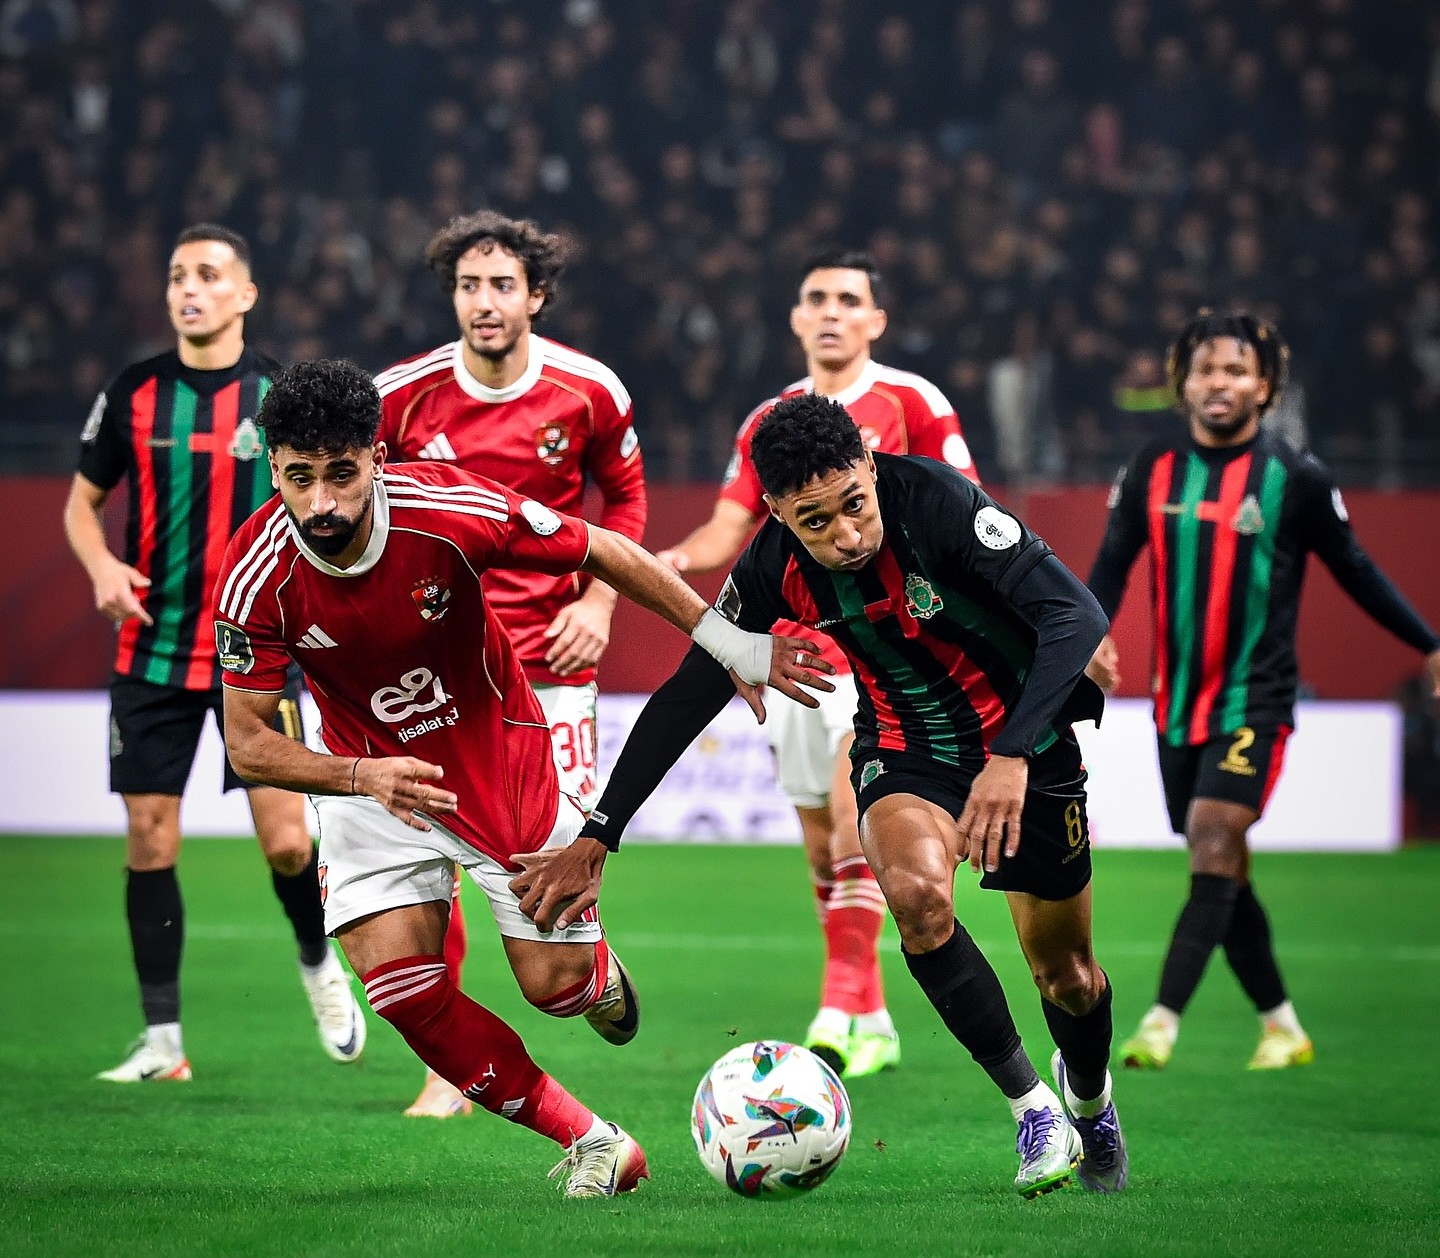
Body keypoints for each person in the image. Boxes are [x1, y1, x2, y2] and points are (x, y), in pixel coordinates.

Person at [213, 359, 827, 1196]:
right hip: (370, 778)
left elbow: (603, 548)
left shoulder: (448, 508)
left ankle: (594, 977)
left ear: (377, 460)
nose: (321, 501)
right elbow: (248, 742)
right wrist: (359, 775)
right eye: (298, 477)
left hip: (496, 760)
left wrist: (727, 641)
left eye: (341, 474)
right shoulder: (256, 574)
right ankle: (596, 1143)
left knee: (553, 989)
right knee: (400, 989)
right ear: (274, 470)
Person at [519, 394, 1129, 1198]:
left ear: (869, 467)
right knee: (917, 900)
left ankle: (1090, 1103)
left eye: (854, 504)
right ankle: (1034, 1110)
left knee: (1069, 979)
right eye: (814, 521)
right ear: (776, 512)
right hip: (906, 751)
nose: (845, 535)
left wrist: (1012, 754)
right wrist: (601, 830)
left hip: (1028, 749)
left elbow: (1075, 616)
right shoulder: (772, 567)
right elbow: (690, 691)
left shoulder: (938, 502)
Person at [1087, 309, 1440, 1072]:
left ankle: (1160, 1022)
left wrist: (1429, 644)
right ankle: (1282, 1027)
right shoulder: (1152, 467)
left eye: (1237, 371)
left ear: (1266, 386)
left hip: (1258, 698)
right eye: (1206, 370)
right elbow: (1112, 564)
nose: (1220, 383)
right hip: (1176, 703)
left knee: (1215, 832)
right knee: (1219, 864)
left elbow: (1356, 570)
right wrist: (1087, 634)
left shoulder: (1296, 478)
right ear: (1183, 383)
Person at [656, 247, 980, 1079]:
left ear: (876, 320)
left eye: (848, 299)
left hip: (887, 656)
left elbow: (961, 508)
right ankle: (873, 1016)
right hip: (797, 653)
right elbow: (729, 529)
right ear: (797, 319)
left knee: (851, 820)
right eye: (817, 298)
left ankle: (836, 1006)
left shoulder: (913, 400)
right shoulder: (768, 422)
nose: (832, 311)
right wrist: (671, 562)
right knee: (820, 846)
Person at [62, 223, 365, 1083]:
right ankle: (164, 1043)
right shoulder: (134, 392)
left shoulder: (278, 395)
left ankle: (318, 964)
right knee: (149, 837)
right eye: (176, 276)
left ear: (245, 294)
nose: (187, 289)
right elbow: (82, 504)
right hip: (151, 651)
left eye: (206, 274)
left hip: (255, 649)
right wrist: (102, 566)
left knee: (288, 844)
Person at [374, 210, 646, 1117]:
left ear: (537, 296)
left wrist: (598, 603)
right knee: (431, 852)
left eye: (501, 285)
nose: (483, 302)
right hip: (437, 673)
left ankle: (584, 971)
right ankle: (444, 1069)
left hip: (549, 665)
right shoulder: (400, 397)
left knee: (549, 853)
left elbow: (627, 498)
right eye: (468, 286)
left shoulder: (589, 391)